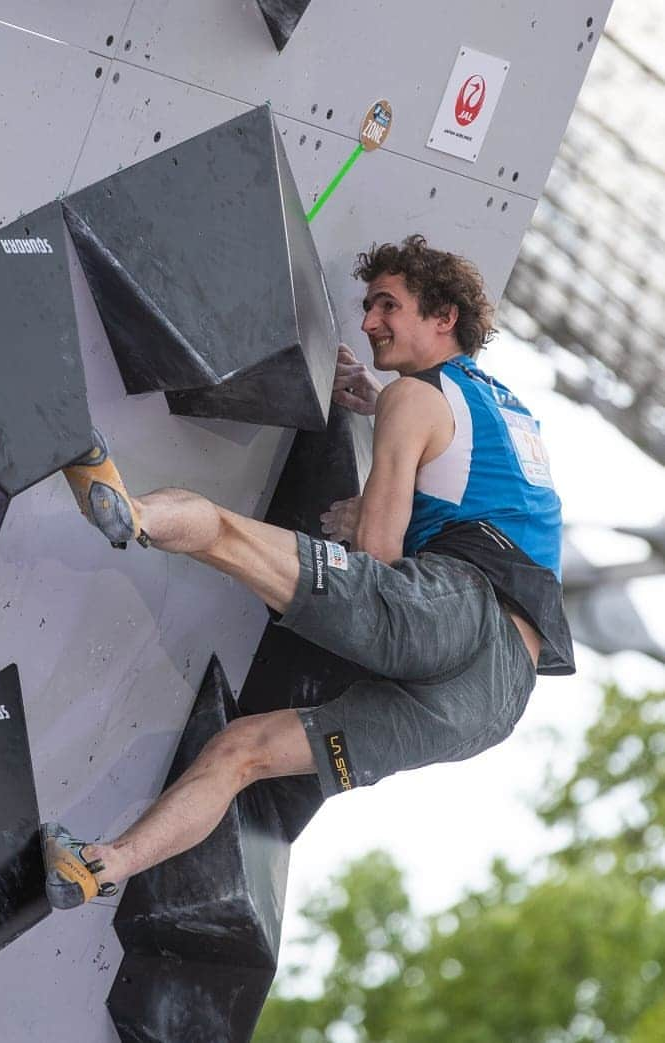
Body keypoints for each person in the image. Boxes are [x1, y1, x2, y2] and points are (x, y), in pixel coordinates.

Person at [41, 234, 575, 910]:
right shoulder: (512, 411)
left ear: (444, 316)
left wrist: (360, 512)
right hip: (492, 703)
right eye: (367, 304)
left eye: (389, 304)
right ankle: (98, 866)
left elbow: (377, 558)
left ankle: (132, 513)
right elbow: (478, 487)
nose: (370, 321)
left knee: (227, 532)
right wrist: (377, 404)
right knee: (245, 751)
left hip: (454, 616)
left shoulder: (414, 397)